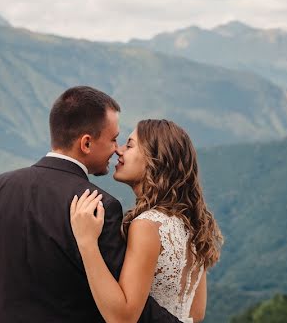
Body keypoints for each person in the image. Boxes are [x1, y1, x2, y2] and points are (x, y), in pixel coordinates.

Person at [0, 86, 179, 322]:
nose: (116, 149)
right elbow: (121, 302)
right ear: (86, 143)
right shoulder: (99, 204)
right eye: (113, 139)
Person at [69, 118, 223, 323]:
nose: (119, 150)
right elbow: (196, 313)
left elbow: (122, 318)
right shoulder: (191, 223)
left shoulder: (148, 225)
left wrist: (86, 242)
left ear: (155, 158)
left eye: (130, 145)